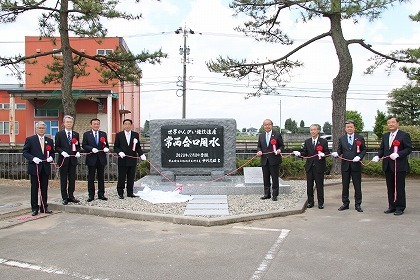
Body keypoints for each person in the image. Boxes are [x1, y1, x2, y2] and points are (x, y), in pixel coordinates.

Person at [372, 117, 412, 216]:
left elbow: (408, 148)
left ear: (397, 124)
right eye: (389, 123)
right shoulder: (385, 136)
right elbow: (382, 149)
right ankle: (392, 206)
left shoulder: (404, 135)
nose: (391, 124)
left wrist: (398, 154)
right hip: (388, 165)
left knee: (399, 187)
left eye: (393, 122)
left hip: (399, 166)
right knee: (390, 187)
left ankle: (400, 207)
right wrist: (378, 156)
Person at [331, 120, 366, 212]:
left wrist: (359, 157)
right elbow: (340, 151)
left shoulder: (360, 138)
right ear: (345, 129)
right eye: (348, 127)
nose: (349, 128)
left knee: (357, 185)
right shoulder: (342, 139)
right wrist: (336, 154)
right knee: (345, 185)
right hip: (345, 166)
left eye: (351, 127)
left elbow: (363, 150)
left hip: (356, 165)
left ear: (354, 128)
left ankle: (358, 204)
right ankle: (345, 203)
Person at [293, 124, 330, 209]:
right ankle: (310, 202)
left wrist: (324, 154)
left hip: (319, 166)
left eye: (315, 130)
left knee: (319, 185)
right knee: (309, 185)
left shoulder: (323, 141)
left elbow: (327, 152)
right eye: (311, 130)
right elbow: (304, 153)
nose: (313, 131)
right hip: (309, 167)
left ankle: (320, 203)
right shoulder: (307, 142)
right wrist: (299, 154)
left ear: (318, 131)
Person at [23, 121, 55, 216]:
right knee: (34, 188)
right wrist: (33, 158)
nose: (41, 130)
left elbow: (52, 152)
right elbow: (25, 152)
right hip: (35, 167)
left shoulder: (49, 140)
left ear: (45, 129)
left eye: (43, 128)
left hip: (45, 168)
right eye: (39, 128)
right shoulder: (30, 139)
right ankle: (34, 208)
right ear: (36, 129)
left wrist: (51, 157)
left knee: (44, 188)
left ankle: (44, 207)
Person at [114, 119, 146, 199]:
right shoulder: (119, 135)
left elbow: (138, 147)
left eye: (129, 124)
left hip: (132, 159)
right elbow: (116, 147)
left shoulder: (135, 135)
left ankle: (130, 192)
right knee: (122, 177)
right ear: (123, 125)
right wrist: (119, 152)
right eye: (125, 124)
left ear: (131, 125)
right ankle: (120, 192)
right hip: (122, 159)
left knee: (131, 177)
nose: (127, 126)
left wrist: (141, 154)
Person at [55, 115, 81, 205]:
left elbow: (78, 146)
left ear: (72, 123)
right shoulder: (59, 134)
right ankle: (64, 197)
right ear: (64, 123)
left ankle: (71, 196)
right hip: (63, 160)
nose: (69, 124)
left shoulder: (76, 134)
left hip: (73, 160)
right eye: (67, 122)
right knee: (63, 179)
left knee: (72, 179)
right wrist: (62, 152)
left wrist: (78, 152)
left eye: (70, 122)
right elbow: (56, 147)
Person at [82, 118, 110, 202]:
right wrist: (91, 149)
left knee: (101, 177)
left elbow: (106, 145)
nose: (96, 125)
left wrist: (106, 148)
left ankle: (101, 194)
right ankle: (91, 195)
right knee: (91, 178)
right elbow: (84, 145)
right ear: (91, 125)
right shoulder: (87, 134)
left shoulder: (103, 134)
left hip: (101, 158)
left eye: (97, 124)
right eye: (94, 124)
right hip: (91, 159)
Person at [256, 119, 285, 201]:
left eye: (269, 124)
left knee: (275, 178)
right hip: (264, 160)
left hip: (274, 159)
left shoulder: (277, 135)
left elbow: (282, 146)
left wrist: (279, 150)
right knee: (265, 178)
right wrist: (259, 151)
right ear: (263, 126)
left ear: (272, 125)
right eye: (265, 125)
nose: (267, 126)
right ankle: (266, 194)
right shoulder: (261, 135)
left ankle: (275, 195)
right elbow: (259, 146)